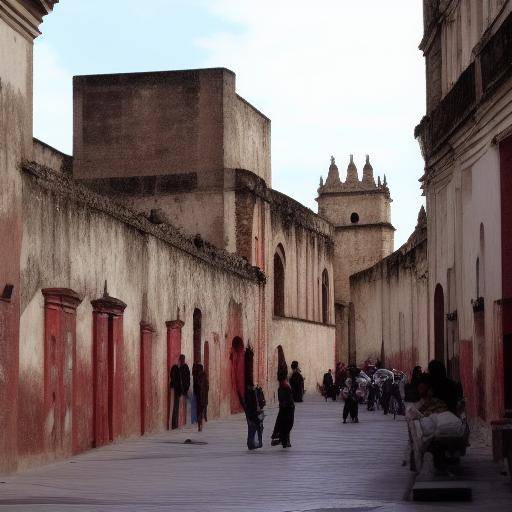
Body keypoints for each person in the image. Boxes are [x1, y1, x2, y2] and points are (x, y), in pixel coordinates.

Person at [271, 369, 295, 448]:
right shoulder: (284, 386)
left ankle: (284, 441)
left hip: (286, 408)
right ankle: (284, 441)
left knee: (285, 425)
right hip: (287, 408)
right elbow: (286, 399)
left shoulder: (283, 386)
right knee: (287, 425)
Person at [169, 354, 190, 429]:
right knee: (175, 407)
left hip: (183, 390)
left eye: (183, 359)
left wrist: (186, 389)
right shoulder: (176, 368)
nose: (182, 361)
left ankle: (181, 423)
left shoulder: (185, 368)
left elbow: (187, 379)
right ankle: (175, 424)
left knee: (179, 407)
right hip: (177, 390)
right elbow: (173, 377)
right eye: (181, 359)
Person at [243, 380, 264, 450]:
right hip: (253, 414)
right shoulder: (252, 393)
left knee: (253, 428)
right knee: (255, 428)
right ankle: (255, 443)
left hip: (253, 414)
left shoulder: (251, 393)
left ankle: (253, 443)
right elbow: (253, 405)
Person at [192, 363, 208, 432]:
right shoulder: (204, 376)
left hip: (199, 396)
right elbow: (207, 387)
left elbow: (195, 387)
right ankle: (200, 423)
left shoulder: (197, 377)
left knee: (199, 410)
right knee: (201, 410)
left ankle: (200, 424)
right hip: (203, 396)